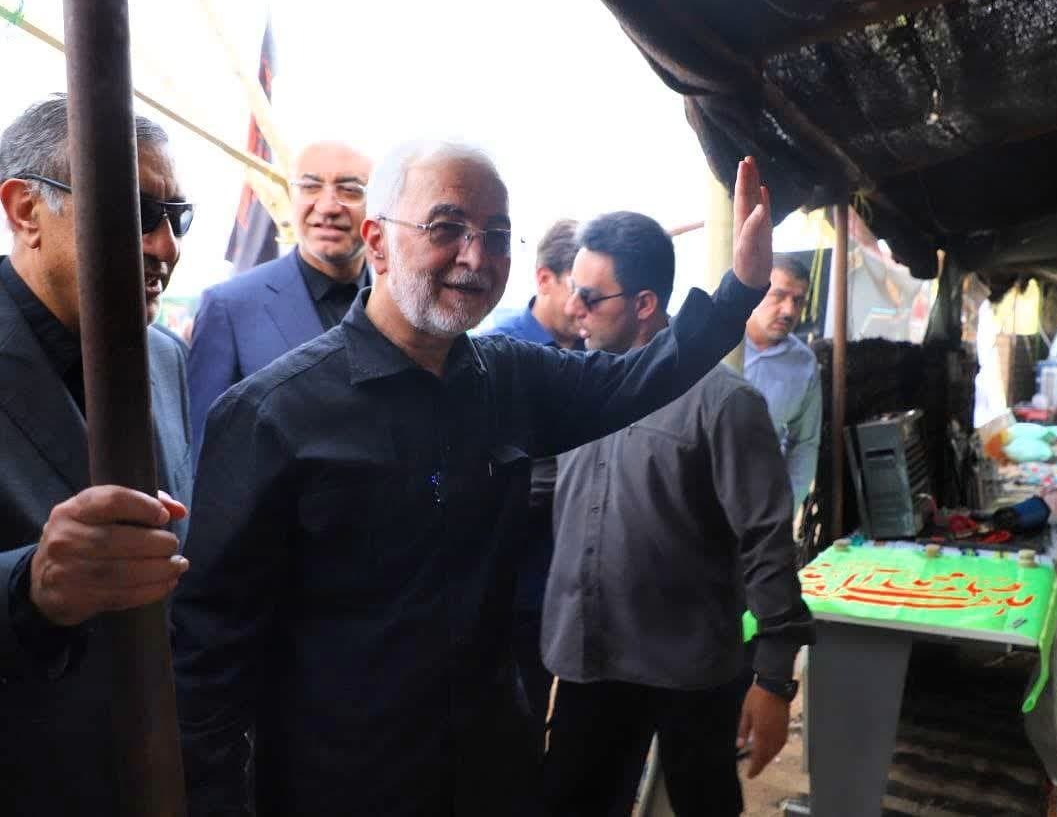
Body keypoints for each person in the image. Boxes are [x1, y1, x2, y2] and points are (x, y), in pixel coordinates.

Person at [171, 142, 774, 817]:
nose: (476, 256)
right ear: (378, 242)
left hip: (490, 768)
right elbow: (208, 654)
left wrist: (739, 291)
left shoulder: (508, 377)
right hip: (341, 780)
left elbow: (636, 379)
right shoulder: (272, 414)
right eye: (447, 227)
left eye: (497, 235)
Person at [542, 212, 814, 817]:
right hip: (589, 661)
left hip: (690, 670)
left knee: (702, 802)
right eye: (572, 291)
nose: (573, 308)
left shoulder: (725, 404)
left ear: (644, 304)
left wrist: (774, 679)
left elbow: (767, 541)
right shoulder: (571, 393)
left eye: (590, 296)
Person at [0, 96, 193, 816]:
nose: (166, 246)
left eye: (177, 217)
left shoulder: (166, 357)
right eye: (136, 211)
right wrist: (30, 588)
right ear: (26, 210)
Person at [186, 140, 372, 457]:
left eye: (350, 190)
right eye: (311, 187)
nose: (328, 206)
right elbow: (205, 454)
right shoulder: (229, 307)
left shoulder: (404, 305)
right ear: (292, 195)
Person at [484, 218, 581, 727]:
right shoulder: (495, 356)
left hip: (575, 588)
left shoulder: (596, 355)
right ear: (545, 279)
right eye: (579, 289)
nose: (586, 306)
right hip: (513, 585)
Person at [743, 255, 821, 513]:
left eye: (798, 300)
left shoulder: (803, 364)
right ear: (754, 293)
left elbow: (805, 444)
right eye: (778, 295)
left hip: (756, 504)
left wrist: (785, 507)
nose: (789, 310)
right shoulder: (716, 344)